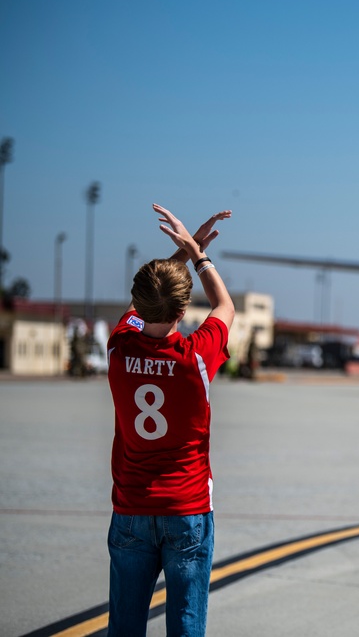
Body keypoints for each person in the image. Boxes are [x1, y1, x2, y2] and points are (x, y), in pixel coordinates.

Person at [105, 204, 235, 636]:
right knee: (185, 625)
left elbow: (141, 307)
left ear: (139, 303)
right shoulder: (195, 356)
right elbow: (224, 305)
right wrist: (197, 254)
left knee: (124, 626)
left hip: (131, 508)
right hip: (187, 507)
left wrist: (178, 258)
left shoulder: (120, 346)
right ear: (183, 312)